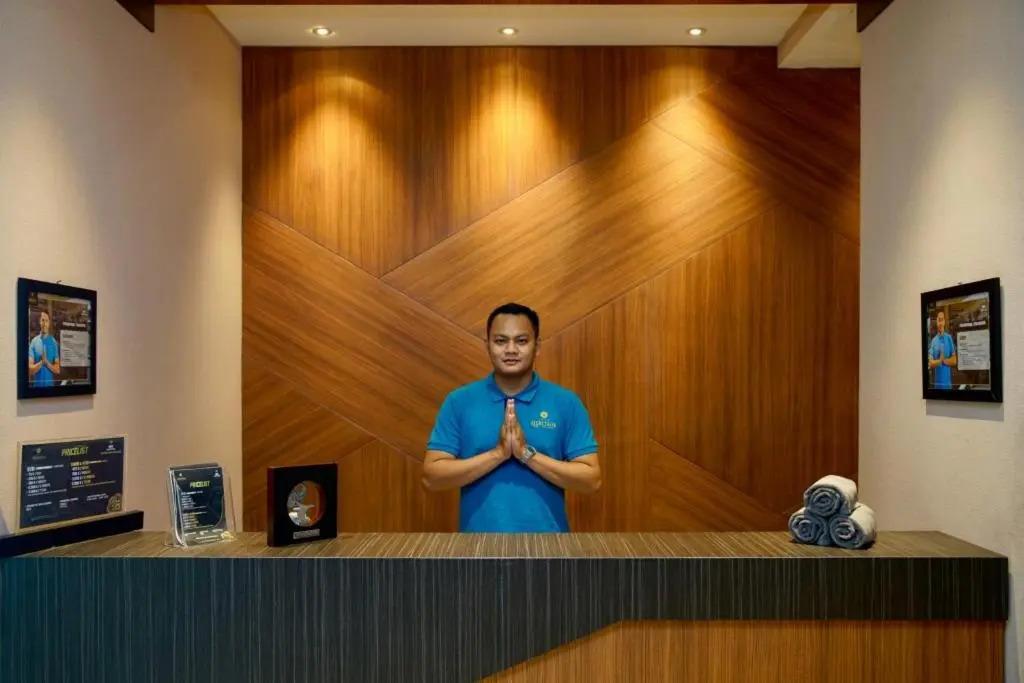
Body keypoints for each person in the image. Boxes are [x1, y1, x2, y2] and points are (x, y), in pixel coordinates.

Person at [422, 303, 601, 532]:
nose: (511, 349)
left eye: (521, 341)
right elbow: (432, 478)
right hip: (477, 547)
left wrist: (526, 454)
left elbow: (591, 480)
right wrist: (498, 454)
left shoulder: (565, 403)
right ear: (487, 345)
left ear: (537, 346)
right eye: (500, 341)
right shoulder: (459, 402)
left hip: (549, 546)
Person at [27, 310, 61, 387]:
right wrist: (41, 362)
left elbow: (57, 369)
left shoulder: (53, 342)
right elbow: (29, 370)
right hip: (36, 388)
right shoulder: (34, 342)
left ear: (49, 323)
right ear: (39, 322)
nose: (45, 324)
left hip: (50, 388)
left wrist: (47, 363)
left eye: (46, 321)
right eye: (42, 320)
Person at [928, 309, 957, 389]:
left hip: (948, 385)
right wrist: (940, 360)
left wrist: (942, 360)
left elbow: (954, 361)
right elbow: (930, 363)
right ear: (936, 322)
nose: (940, 323)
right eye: (939, 320)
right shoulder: (933, 341)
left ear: (944, 322)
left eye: (942, 320)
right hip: (937, 386)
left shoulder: (949, 338)